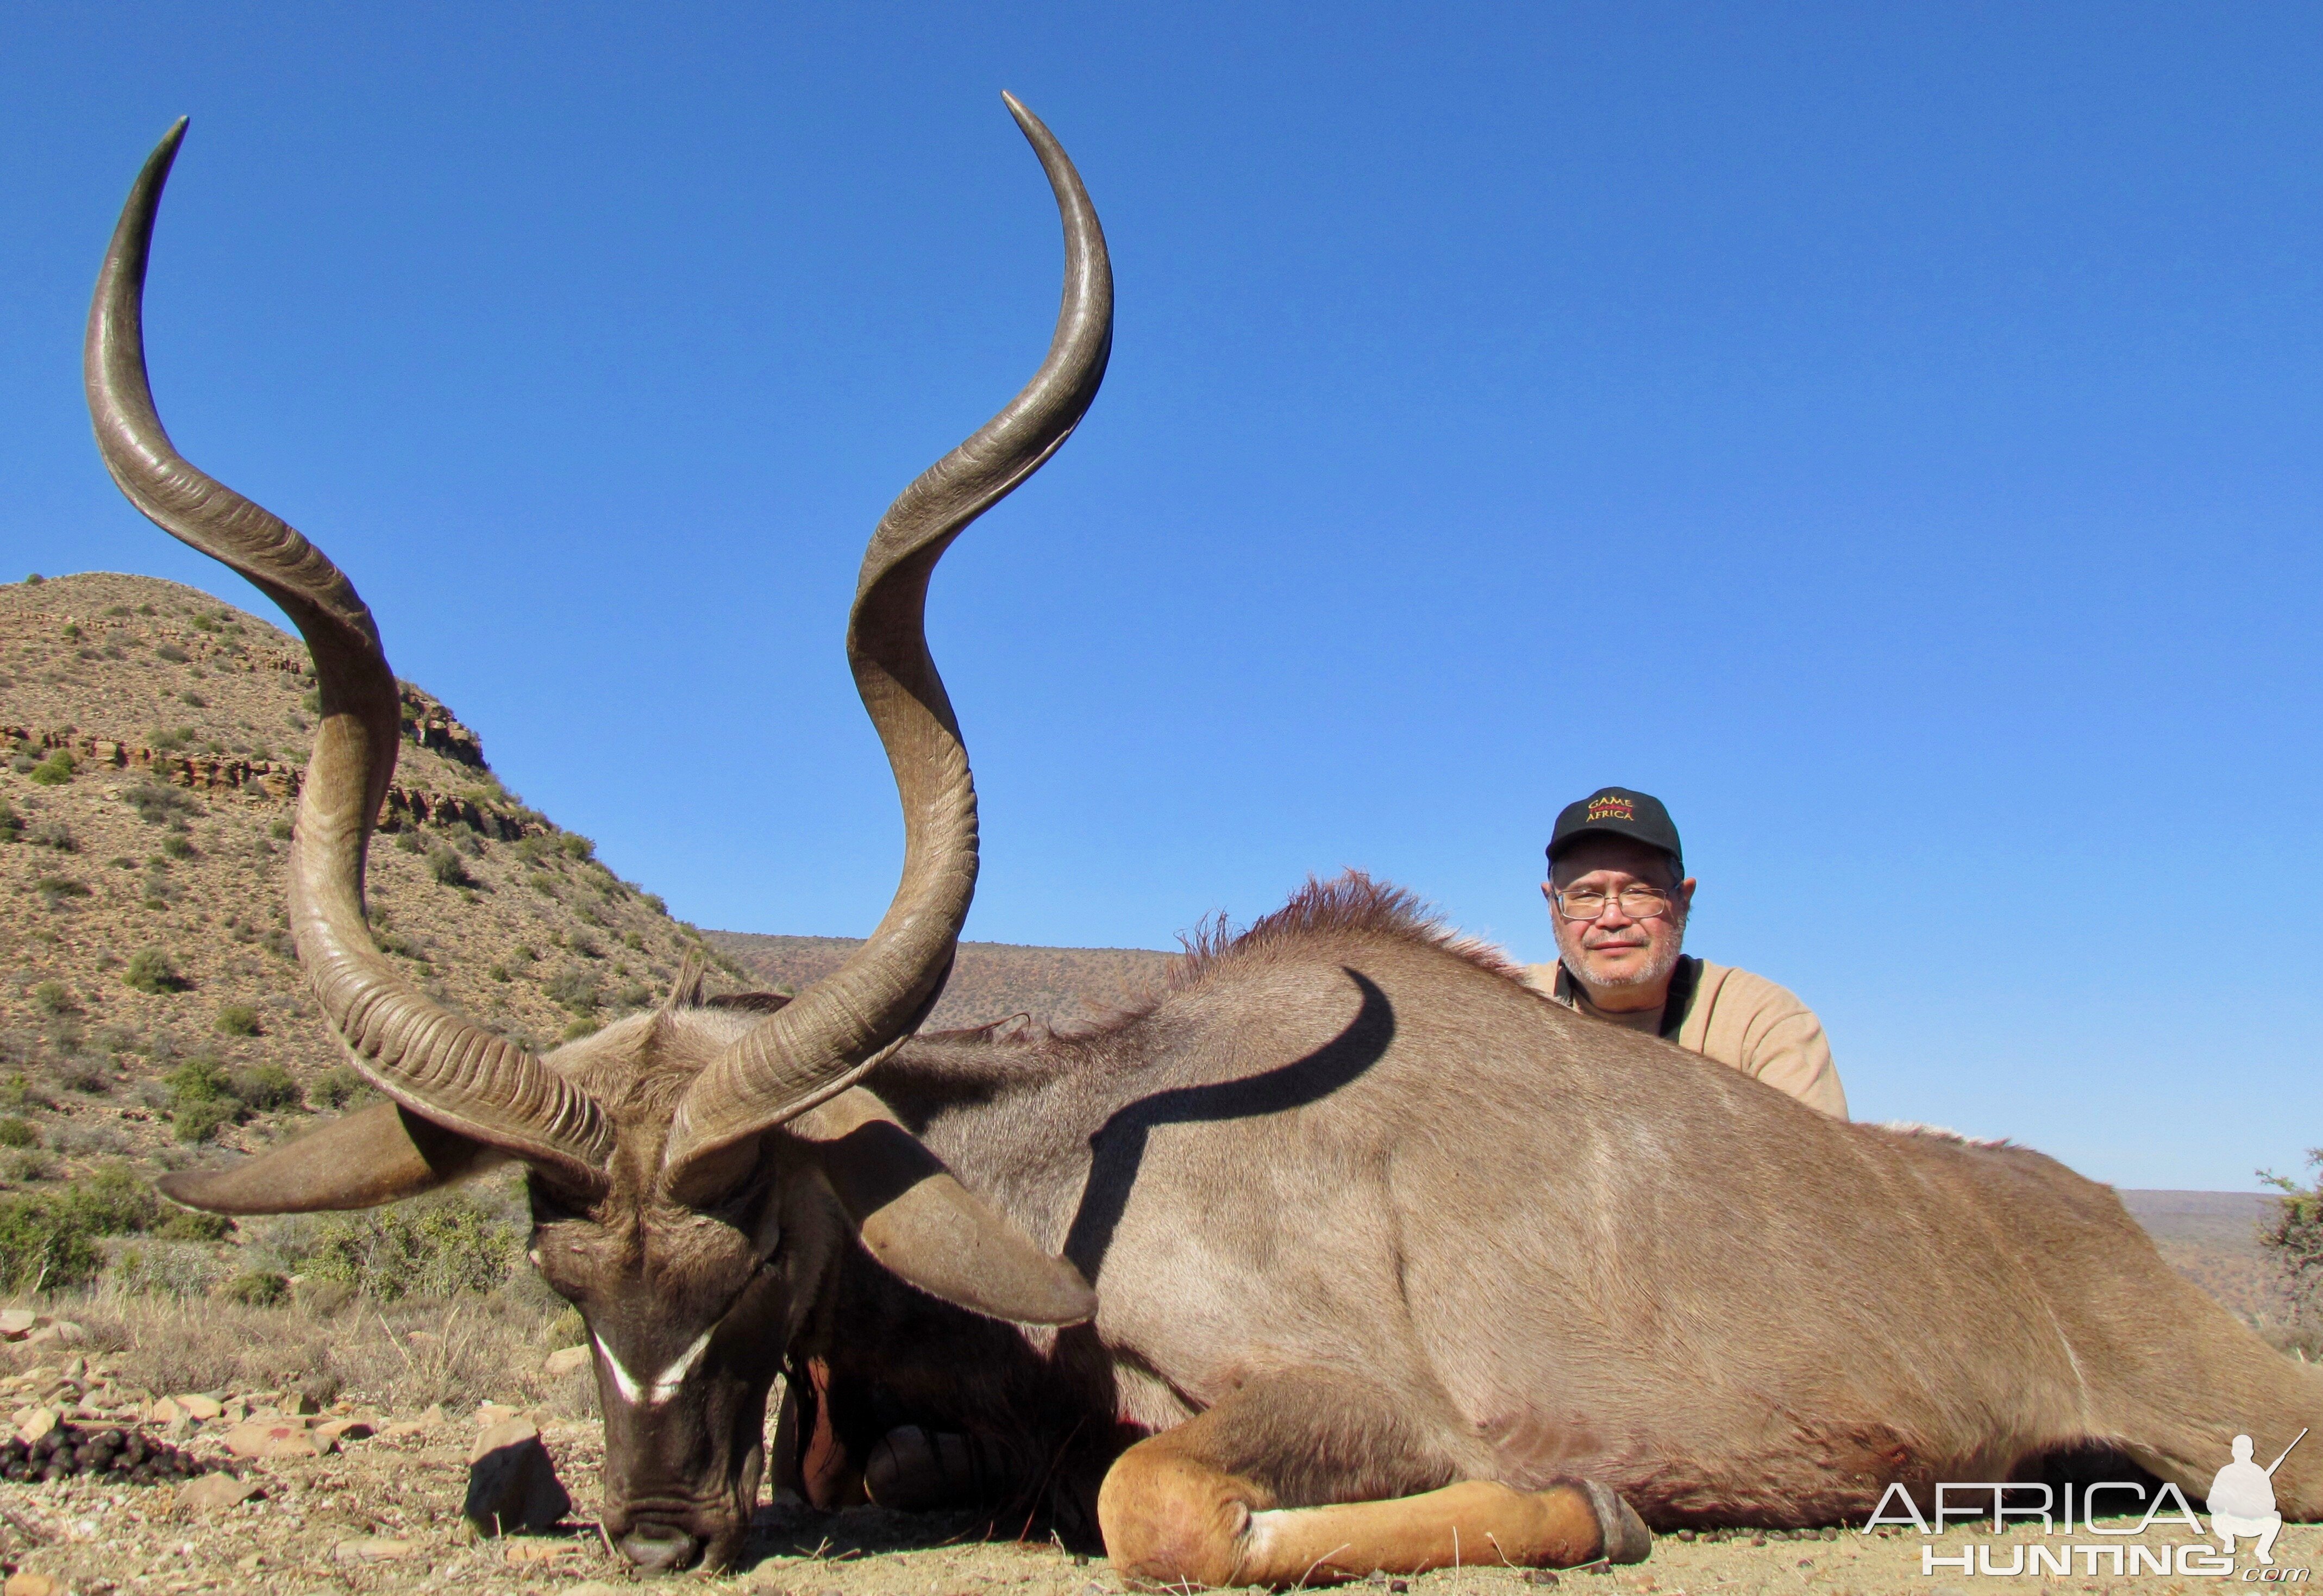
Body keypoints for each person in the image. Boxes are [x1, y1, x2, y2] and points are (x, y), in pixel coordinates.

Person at [1520, 786, 1848, 1119]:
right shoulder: (1513, 1010)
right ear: (1551, 904)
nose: (1612, 918)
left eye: (1639, 892)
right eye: (1586, 896)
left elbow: (1813, 1165)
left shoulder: (1763, 1022)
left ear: (1684, 900)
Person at [2208, 1434, 2287, 1565]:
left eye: (2245, 1450)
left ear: (2251, 1452)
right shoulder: (2225, 1472)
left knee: (2275, 1518)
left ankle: (2262, 1550)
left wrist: (2254, 1503)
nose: (2242, 1453)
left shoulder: (2259, 1473)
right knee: (2216, 1517)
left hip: (2253, 1523)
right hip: (2229, 1522)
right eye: (2239, 1450)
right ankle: (2229, 1540)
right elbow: (2212, 1503)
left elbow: (2271, 1504)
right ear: (2233, 1452)